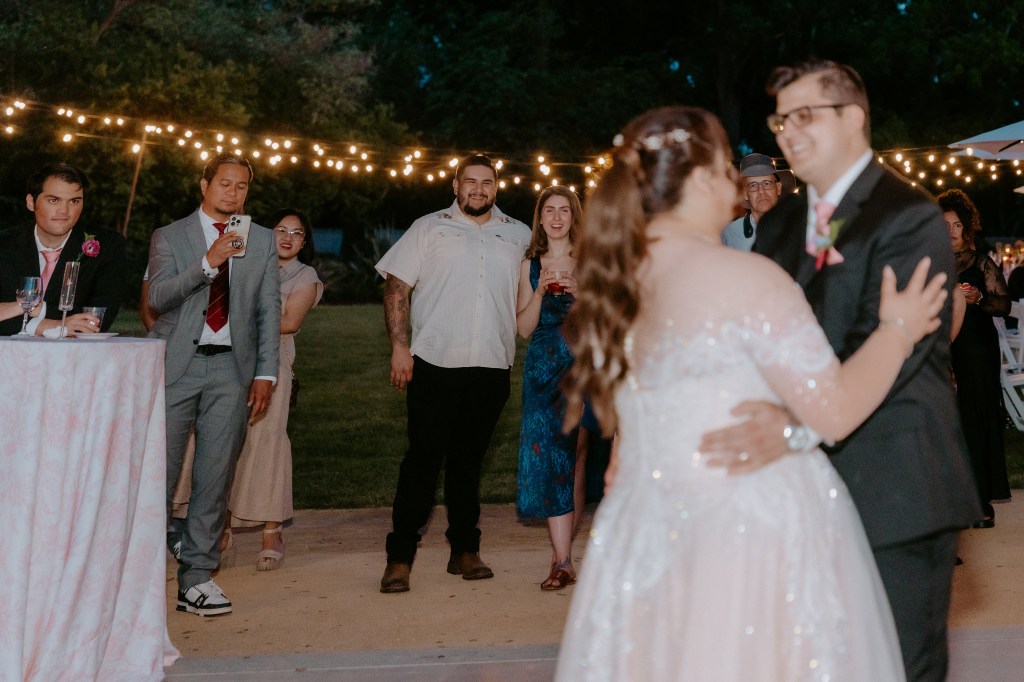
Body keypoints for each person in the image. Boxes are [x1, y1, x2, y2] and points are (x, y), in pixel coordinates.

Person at [555, 105, 946, 681]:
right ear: (704, 180)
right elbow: (834, 410)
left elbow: (619, 458)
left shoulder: (617, 286)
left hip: (646, 530)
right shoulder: (746, 278)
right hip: (749, 531)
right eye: (727, 171)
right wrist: (898, 331)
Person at [700, 60, 980, 681]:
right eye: (780, 120)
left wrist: (788, 423)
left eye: (805, 116)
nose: (788, 133)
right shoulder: (780, 222)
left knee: (898, 665)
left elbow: (888, 351)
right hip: (794, 490)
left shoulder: (908, 217)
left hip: (893, 484)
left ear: (853, 118)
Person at [375, 154, 530, 594]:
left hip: (491, 364)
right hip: (434, 361)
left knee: (468, 462)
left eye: (486, 182)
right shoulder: (429, 227)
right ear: (456, 185)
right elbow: (396, 286)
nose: (478, 189)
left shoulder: (518, 234)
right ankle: (400, 556)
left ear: (496, 188)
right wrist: (399, 347)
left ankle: (464, 550)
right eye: (470, 182)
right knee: (422, 460)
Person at [148, 153, 281, 616]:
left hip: (231, 370)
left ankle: (197, 577)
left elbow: (268, 310)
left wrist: (265, 373)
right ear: (203, 184)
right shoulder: (170, 236)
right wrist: (208, 263)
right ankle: (139, 576)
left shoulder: (260, 239)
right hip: (176, 366)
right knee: (155, 474)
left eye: (242, 186)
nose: (233, 192)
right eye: (225, 183)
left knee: (215, 476)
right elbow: (157, 297)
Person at [226, 208, 323, 569]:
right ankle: (220, 527)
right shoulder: (245, 263)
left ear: (304, 242)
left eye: (296, 233)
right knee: (222, 444)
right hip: (229, 364)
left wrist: (235, 322)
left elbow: (288, 321)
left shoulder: (304, 276)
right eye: (280, 230)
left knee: (267, 444)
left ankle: (272, 530)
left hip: (273, 367)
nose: (287, 238)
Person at [514, 185, 584, 590]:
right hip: (543, 370)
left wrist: (581, 294)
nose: (556, 218)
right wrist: (539, 293)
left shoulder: (591, 261)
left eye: (564, 210)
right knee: (553, 459)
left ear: (574, 217)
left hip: (585, 366)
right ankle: (562, 561)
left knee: (589, 458)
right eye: (549, 211)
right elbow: (524, 328)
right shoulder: (530, 265)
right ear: (539, 218)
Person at [939, 188, 1011, 529]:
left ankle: (982, 500)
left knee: (977, 418)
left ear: (968, 227)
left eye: (957, 225)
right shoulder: (931, 262)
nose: (952, 232)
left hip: (977, 349)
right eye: (945, 225)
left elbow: (1004, 305)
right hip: (941, 347)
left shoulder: (982, 261)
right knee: (948, 424)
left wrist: (980, 297)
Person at [0, 162, 125, 336]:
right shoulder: (4, 244)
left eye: (74, 201)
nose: (64, 211)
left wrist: (29, 309)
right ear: (31, 202)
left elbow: (97, 320)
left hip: (72, 359)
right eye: (53, 200)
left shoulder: (107, 246)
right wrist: (54, 325)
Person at [721, 152, 781, 250]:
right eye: (753, 185)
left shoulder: (799, 228)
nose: (761, 191)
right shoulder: (730, 233)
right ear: (745, 194)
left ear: (778, 188)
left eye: (767, 183)